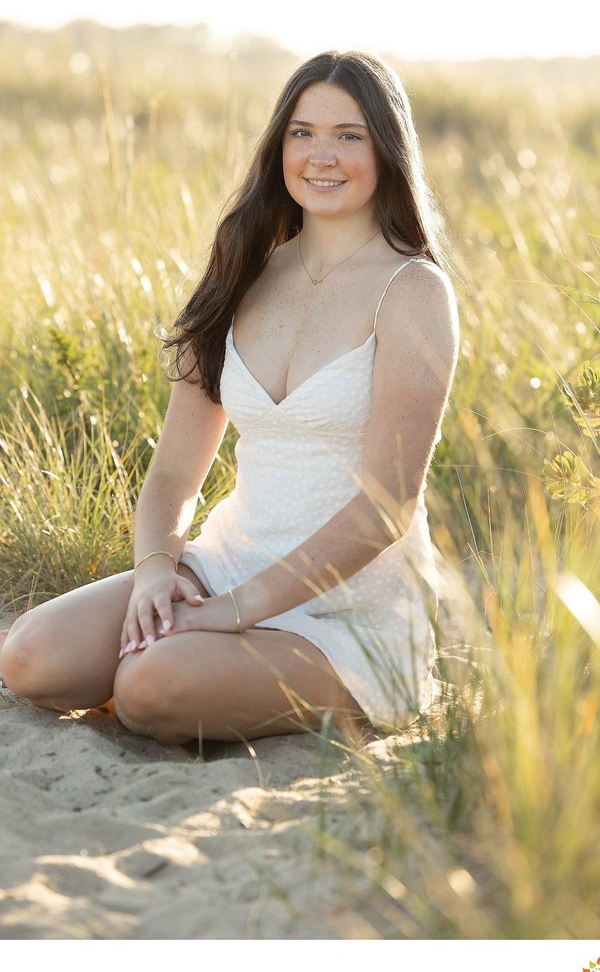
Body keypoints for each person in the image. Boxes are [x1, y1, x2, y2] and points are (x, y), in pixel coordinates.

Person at [0, 50, 459, 746]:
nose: (320, 155)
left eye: (348, 134)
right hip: (224, 567)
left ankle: (367, 690)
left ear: (387, 149)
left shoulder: (414, 292)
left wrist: (239, 612)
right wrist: (158, 573)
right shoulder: (243, 267)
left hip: (349, 605)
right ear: (278, 144)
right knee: (30, 657)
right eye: (301, 132)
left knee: (148, 686)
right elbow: (174, 476)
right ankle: (202, 664)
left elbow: (385, 507)